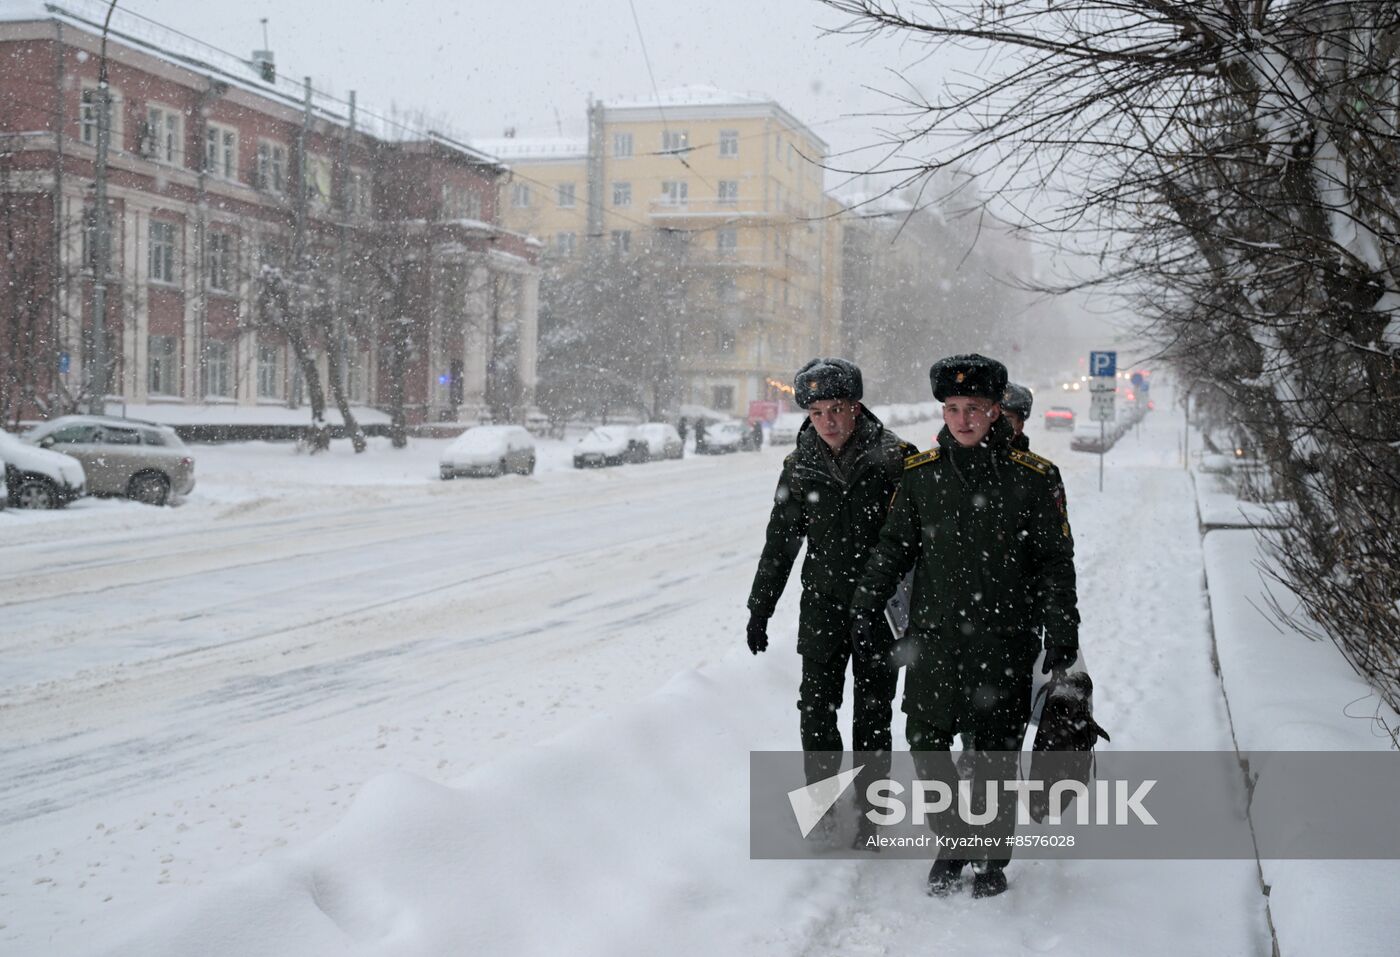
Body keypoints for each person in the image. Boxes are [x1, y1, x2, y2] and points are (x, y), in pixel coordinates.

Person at [849, 354, 1079, 897]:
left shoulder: (1034, 480)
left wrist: (1062, 631)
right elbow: (893, 547)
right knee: (927, 743)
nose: (962, 419)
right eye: (952, 408)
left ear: (996, 410)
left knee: (994, 754)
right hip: (933, 642)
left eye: (974, 408)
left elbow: (1054, 563)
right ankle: (952, 842)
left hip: (1004, 642)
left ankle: (992, 858)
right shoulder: (921, 476)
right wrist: (864, 603)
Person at [746, 357, 917, 846]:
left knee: (873, 713)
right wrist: (760, 607)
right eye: (817, 412)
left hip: (881, 610)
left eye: (837, 408)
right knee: (816, 710)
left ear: (856, 407)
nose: (828, 421)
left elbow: (915, 544)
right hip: (822, 606)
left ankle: (871, 814)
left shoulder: (894, 460)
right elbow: (780, 542)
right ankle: (820, 808)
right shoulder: (799, 465)